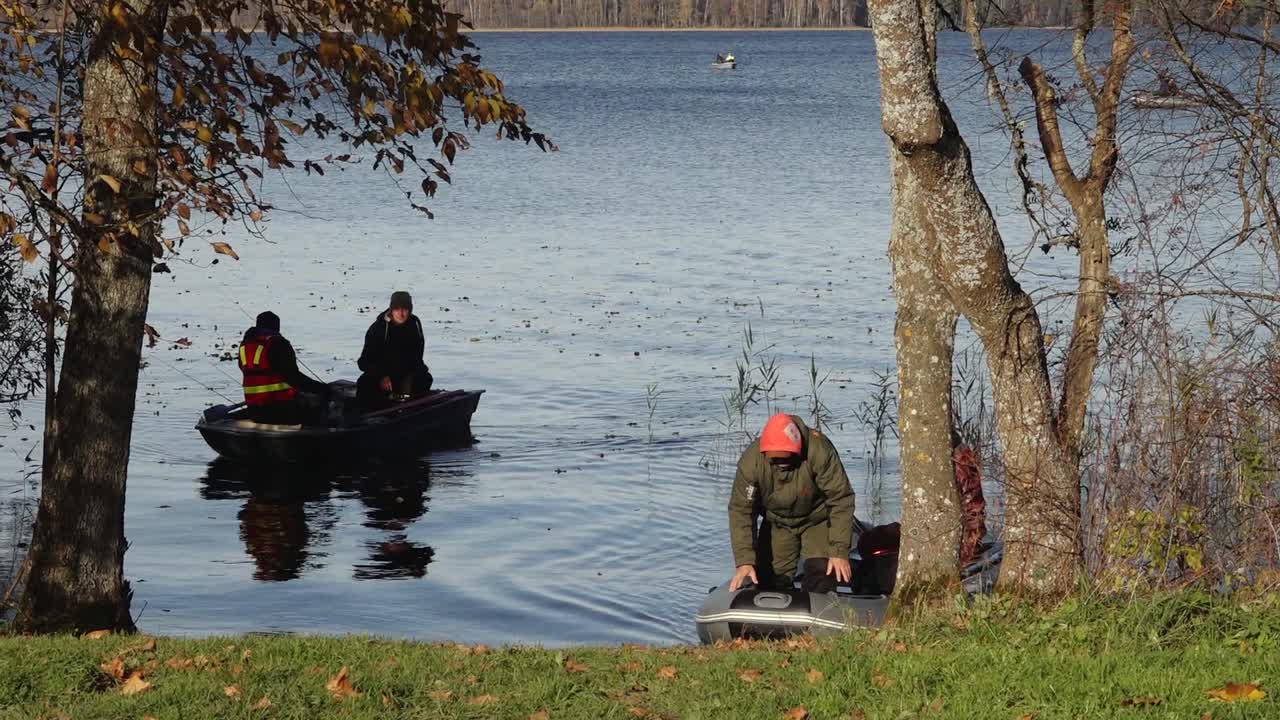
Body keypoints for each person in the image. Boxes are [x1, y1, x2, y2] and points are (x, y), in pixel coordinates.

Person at [728, 413, 856, 594]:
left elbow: (841, 498)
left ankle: (817, 615)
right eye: (775, 460)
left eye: (786, 459)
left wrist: (839, 552)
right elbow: (741, 510)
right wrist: (744, 561)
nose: (780, 464)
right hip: (778, 523)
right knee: (768, 582)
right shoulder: (751, 462)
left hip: (817, 519)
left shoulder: (819, 450)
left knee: (822, 574)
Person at [238, 311, 330, 425]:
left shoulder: (244, 346)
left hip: (254, 410)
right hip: (282, 409)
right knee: (321, 404)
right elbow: (295, 378)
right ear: (277, 327)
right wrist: (324, 389)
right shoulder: (278, 343)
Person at [356, 290, 433, 404]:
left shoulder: (415, 324)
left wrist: (409, 379)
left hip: (405, 372)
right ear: (391, 310)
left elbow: (417, 357)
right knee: (364, 383)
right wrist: (382, 375)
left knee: (425, 379)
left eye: (405, 309)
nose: (401, 314)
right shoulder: (378, 328)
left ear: (410, 310)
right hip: (382, 373)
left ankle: (409, 404)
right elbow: (363, 362)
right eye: (397, 309)